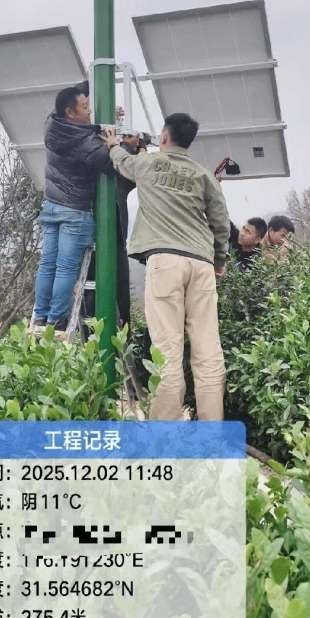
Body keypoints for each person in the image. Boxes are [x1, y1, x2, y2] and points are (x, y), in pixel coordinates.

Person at [102, 112, 230, 421]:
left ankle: (166, 432)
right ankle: (212, 429)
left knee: (168, 350)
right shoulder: (203, 176)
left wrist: (111, 143)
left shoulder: (148, 164)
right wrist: (220, 260)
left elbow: (122, 162)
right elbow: (220, 221)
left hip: (165, 262)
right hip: (200, 263)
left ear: (163, 137)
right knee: (207, 348)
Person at [32, 87, 119, 336]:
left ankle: (40, 316)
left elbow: (73, 94)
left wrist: (86, 85)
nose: (89, 110)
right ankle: (57, 320)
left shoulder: (52, 123)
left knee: (48, 264)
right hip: (74, 211)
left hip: (51, 206)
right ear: (70, 112)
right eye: (84, 107)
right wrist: (117, 144)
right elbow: (111, 164)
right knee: (66, 268)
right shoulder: (84, 142)